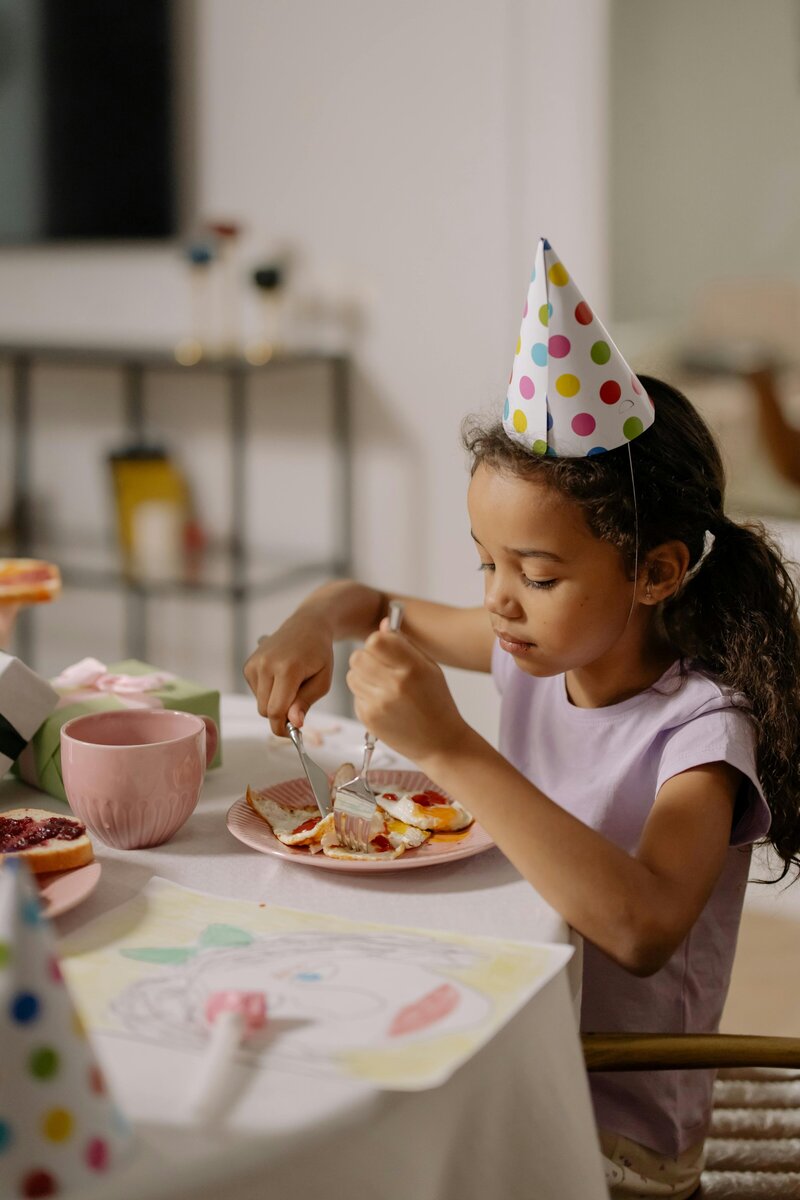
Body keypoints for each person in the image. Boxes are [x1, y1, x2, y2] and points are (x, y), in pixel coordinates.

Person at [244, 241, 800, 1199]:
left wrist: (450, 747)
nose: (500, 603)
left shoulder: (703, 732)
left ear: (656, 573)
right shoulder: (537, 647)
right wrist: (310, 624)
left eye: (537, 576)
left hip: (608, 1125)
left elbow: (642, 927)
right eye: (484, 565)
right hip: (510, 1044)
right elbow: (365, 597)